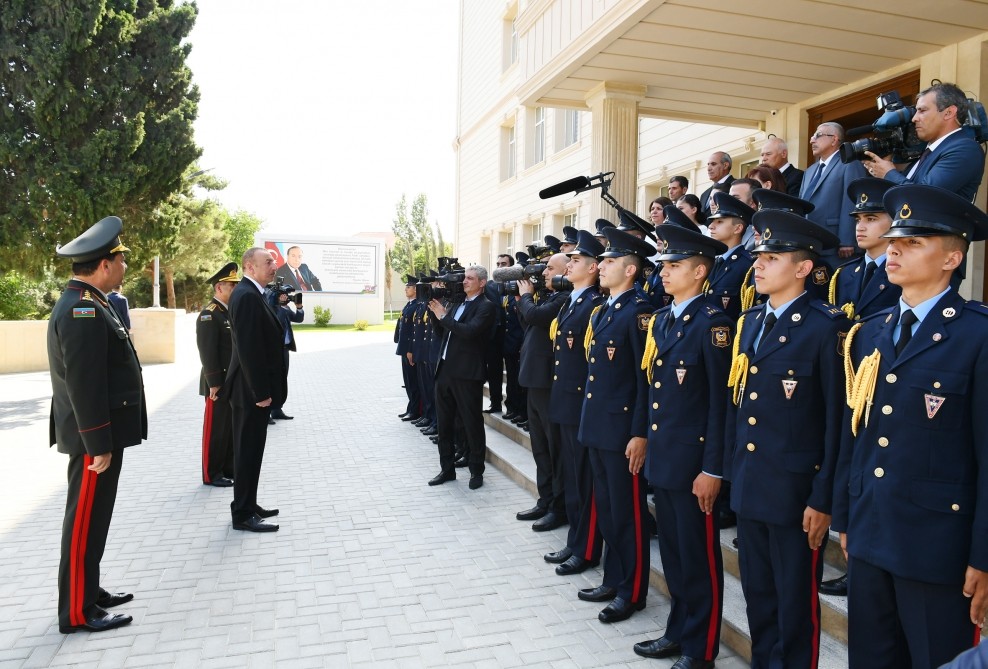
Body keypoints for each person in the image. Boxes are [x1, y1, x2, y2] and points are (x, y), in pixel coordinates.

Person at [833, 185, 988, 669]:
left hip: (937, 545)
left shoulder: (977, 336)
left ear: (952, 257)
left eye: (915, 241)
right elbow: (854, 432)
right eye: (895, 238)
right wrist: (845, 513)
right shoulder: (869, 333)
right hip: (871, 531)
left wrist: (983, 556)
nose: (894, 248)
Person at [726, 209, 851, 669]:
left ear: (802, 268)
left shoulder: (826, 326)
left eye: (772, 257)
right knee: (758, 599)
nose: (758, 264)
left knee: (796, 607)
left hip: (798, 494)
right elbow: (739, 409)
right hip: (753, 485)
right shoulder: (751, 322)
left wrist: (824, 499)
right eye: (758, 255)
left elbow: (835, 421)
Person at [633, 224, 732, 669]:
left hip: (695, 467)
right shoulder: (665, 319)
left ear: (699, 271)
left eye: (673, 266)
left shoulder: (713, 326)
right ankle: (678, 630)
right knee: (673, 557)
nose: (664, 273)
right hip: (666, 460)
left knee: (699, 560)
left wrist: (713, 469)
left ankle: (701, 647)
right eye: (663, 266)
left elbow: (719, 404)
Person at [48, 215, 146, 634]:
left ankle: (90, 589)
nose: (126, 267)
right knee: (84, 518)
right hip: (95, 439)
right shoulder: (83, 309)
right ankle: (76, 611)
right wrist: (98, 443)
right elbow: (84, 383)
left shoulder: (92, 301)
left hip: (101, 434)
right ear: (104, 265)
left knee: (96, 516)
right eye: (122, 260)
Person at [577, 226, 654, 624]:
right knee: (607, 510)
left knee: (628, 515)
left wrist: (640, 432)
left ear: (629, 269)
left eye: (608, 261)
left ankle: (632, 590)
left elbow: (644, 379)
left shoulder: (640, 312)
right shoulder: (607, 308)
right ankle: (613, 577)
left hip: (623, 432)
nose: (601, 266)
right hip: (599, 427)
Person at [545, 230, 606, 575]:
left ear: (594, 267)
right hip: (565, 402)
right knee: (572, 476)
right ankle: (575, 540)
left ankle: (586, 549)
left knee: (585, 481)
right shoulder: (574, 300)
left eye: (577, 260)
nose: (569, 264)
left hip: (581, 403)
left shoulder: (594, 305)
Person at [224, 247, 286, 533]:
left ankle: (248, 504)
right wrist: (261, 393)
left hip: (250, 391)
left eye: (274, 261)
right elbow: (249, 350)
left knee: (251, 450)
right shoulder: (247, 296)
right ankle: (243, 514)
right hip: (250, 393)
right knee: (247, 451)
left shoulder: (252, 293)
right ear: (250, 266)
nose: (274, 265)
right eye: (268, 262)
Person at [514, 253, 571, 531]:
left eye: (550, 268)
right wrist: (524, 300)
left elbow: (535, 316)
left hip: (549, 383)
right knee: (540, 448)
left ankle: (558, 507)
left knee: (554, 448)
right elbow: (528, 322)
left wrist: (526, 297)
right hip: (534, 381)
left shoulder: (564, 298)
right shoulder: (548, 297)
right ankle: (545, 499)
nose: (545, 273)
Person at [426, 266, 497, 489]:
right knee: (445, 425)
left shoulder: (486, 306)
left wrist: (444, 317)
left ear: (482, 282)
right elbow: (443, 332)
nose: (464, 282)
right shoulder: (456, 303)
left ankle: (477, 471)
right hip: (445, 370)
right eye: (464, 278)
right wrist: (434, 313)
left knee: (472, 423)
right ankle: (447, 469)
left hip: (467, 374)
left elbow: (468, 332)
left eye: (470, 278)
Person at [863, 82, 985, 202]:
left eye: (922, 110)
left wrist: (889, 173)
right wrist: (884, 168)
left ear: (949, 113)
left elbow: (924, 196)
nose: (914, 118)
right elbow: (905, 192)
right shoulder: (926, 153)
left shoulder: (965, 149)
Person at [800, 121, 869, 269]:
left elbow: (852, 201)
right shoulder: (809, 171)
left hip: (837, 245)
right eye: (812, 136)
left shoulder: (849, 163)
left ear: (834, 139)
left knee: (836, 289)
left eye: (818, 135)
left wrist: (847, 240)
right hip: (811, 245)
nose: (812, 140)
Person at [197, 262, 239, 487]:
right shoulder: (209, 315)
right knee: (215, 431)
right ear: (219, 288)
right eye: (232, 286)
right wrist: (214, 383)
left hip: (231, 382)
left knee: (229, 429)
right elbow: (207, 352)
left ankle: (227, 469)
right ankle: (211, 474)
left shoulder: (227, 312)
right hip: (218, 384)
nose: (235, 289)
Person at [703, 191, 755, 321]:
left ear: (737, 228)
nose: (711, 226)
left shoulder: (748, 264)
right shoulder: (713, 261)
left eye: (719, 222)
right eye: (712, 221)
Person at [265, 278, 305, 422]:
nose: (287, 297)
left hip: (284, 350)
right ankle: (266, 412)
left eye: (287, 295)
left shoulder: (286, 308)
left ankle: (277, 409)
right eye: (284, 294)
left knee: (281, 379)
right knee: (272, 379)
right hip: (274, 350)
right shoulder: (273, 308)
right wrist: (278, 303)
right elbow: (276, 317)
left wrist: (299, 306)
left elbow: (298, 319)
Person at [396, 274, 421, 422]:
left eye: (409, 287)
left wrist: (411, 349)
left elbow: (414, 331)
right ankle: (411, 408)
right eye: (406, 286)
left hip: (410, 350)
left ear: (416, 290)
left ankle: (415, 410)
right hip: (404, 349)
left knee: (413, 382)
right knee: (408, 382)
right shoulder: (410, 304)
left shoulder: (417, 305)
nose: (406, 289)